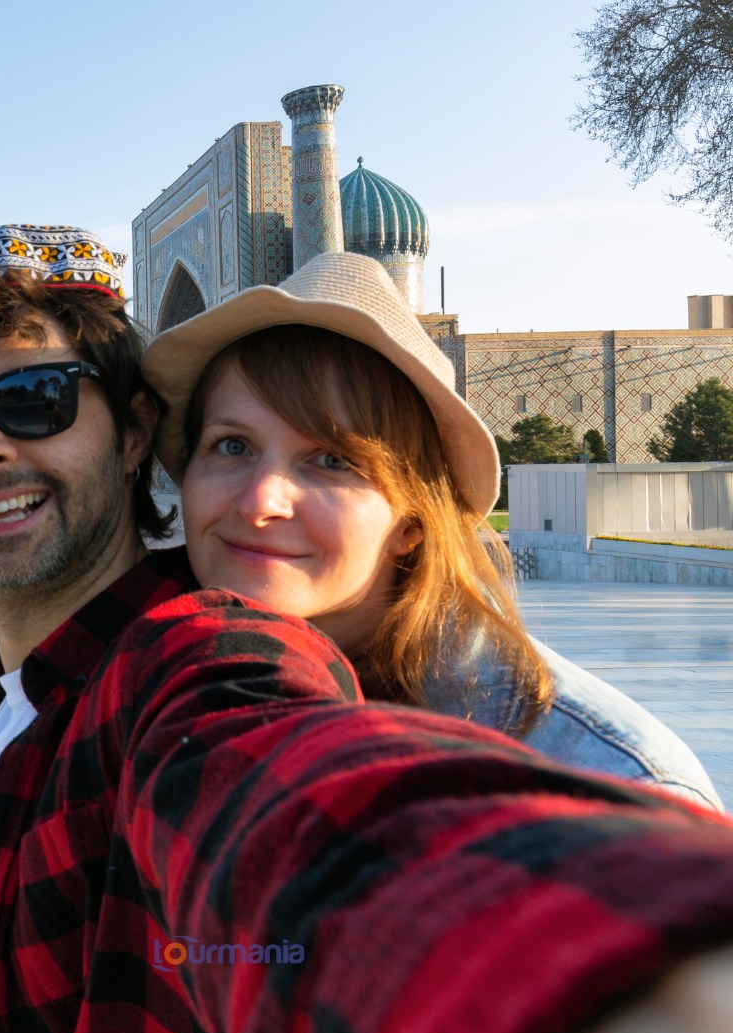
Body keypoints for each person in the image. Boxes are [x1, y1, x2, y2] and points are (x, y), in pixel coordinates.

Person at [0, 225, 733, 1033]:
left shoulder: (186, 666)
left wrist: (625, 987)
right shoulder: (16, 691)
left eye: (32, 401)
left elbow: (298, 799)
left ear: (136, 433)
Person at [139, 251, 718, 808]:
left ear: (413, 521)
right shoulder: (140, 693)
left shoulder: (602, 782)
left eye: (333, 461)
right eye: (232, 445)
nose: (261, 502)